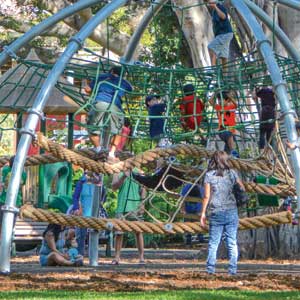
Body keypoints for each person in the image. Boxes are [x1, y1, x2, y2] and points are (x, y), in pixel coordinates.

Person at [200, 150, 245, 275]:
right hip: (231, 210)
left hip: (216, 211)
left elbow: (206, 196)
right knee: (232, 242)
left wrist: (203, 213)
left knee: (214, 242)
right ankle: (232, 270)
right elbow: (242, 188)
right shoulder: (232, 173)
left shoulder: (209, 175)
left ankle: (210, 270)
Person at [85, 66, 132, 161]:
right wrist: (122, 79)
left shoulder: (102, 76)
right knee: (117, 131)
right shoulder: (123, 82)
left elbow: (87, 89)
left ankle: (98, 149)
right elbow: (131, 88)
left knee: (92, 127)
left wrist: (94, 91)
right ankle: (111, 153)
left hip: (100, 102)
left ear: (111, 71)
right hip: (115, 106)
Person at [111, 170, 146, 264]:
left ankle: (141, 257)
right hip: (121, 206)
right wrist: (123, 177)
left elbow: (143, 188)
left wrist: (142, 203)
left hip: (135, 206)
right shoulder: (117, 171)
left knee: (139, 232)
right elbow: (114, 187)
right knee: (119, 233)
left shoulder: (138, 171)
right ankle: (117, 257)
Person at [72, 171, 107, 256]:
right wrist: (76, 208)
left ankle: (93, 253)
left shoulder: (99, 181)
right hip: (82, 211)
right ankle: (80, 253)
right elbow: (75, 196)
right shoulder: (81, 182)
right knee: (81, 235)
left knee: (94, 233)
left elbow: (103, 197)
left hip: (94, 212)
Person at [0, 156, 27, 235]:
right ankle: (8, 236)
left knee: (1, 222)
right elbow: (22, 184)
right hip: (16, 201)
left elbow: (4, 168)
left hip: (3, 200)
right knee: (11, 222)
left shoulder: (5, 170)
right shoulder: (23, 174)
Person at [209, 91, 239, 157]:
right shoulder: (219, 108)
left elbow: (236, 105)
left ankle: (224, 159)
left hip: (231, 131)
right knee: (228, 135)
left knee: (227, 150)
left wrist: (230, 98)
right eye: (218, 100)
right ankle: (234, 152)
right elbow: (210, 101)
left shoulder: (231, 107)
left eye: (221, 100)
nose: (219, 101)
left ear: (227, 100)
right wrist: (215, 93)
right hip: (222, 131)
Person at [206, 0, 233, 66]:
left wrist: (215, 7)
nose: (208, 3)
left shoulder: (220, 6)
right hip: (221, 35)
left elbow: (223, 16)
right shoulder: (213, 12)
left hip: (225, 34)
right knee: (223, 56)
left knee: (211, 47)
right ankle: (225, 75)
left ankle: (213, 68)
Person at [253, 85, 276, 151]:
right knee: (269, 132)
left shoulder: (262, 90)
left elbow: (254, 96)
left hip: (264, 110)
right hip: (271, 110)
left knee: (262, 131)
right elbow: (276, 98)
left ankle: (262, 150)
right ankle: (270, 150)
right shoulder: (272, 91)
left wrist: (255, 90)